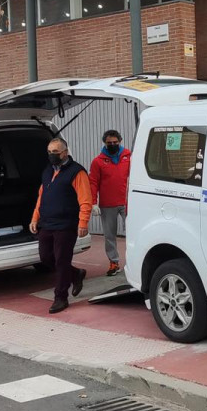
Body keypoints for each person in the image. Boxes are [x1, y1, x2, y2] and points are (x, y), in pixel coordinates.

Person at [30, 138, 92, 314]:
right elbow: (41, 196)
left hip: (66, 224)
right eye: (49, 152)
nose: (52, 155)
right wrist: (35, 218)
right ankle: (76, 274)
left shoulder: (77, 172)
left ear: (65, 152)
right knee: (46, 257)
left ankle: (60, 297)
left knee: (62, 260)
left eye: (55, 152)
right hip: (47, 223)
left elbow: (86, 200)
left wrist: (83, 222)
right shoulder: (48, 171)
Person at [88, 130, 131, 276]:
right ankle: (114, 262)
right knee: (110, 236)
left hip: (127, 203)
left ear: (120, 141)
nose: (112, 145)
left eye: (115, 142)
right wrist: (93, 203)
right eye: (109, 143)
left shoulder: (129, 157)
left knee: (132, 233)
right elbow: (93, 183)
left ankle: (133, 261)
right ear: (104, 143)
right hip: (107, 205)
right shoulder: (98, 161)